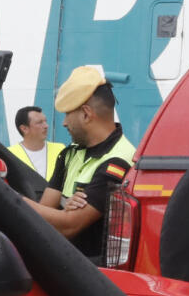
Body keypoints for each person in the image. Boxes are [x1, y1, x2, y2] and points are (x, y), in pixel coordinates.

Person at [34, 64, 135, 263]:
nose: (64, 123)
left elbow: (69, 226)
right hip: (63, 263)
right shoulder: (69, 154)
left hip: (92, 273)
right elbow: (42, 215)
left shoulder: (118, 161)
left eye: (67, 114)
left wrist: (13, 199)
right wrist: (65, 212)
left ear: (86, 114)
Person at [8, 105, 59, 180]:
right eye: (40, 122)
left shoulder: (60, 149)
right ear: (24, 129)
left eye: (45, 121)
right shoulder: (10, 154)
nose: (46, 126)